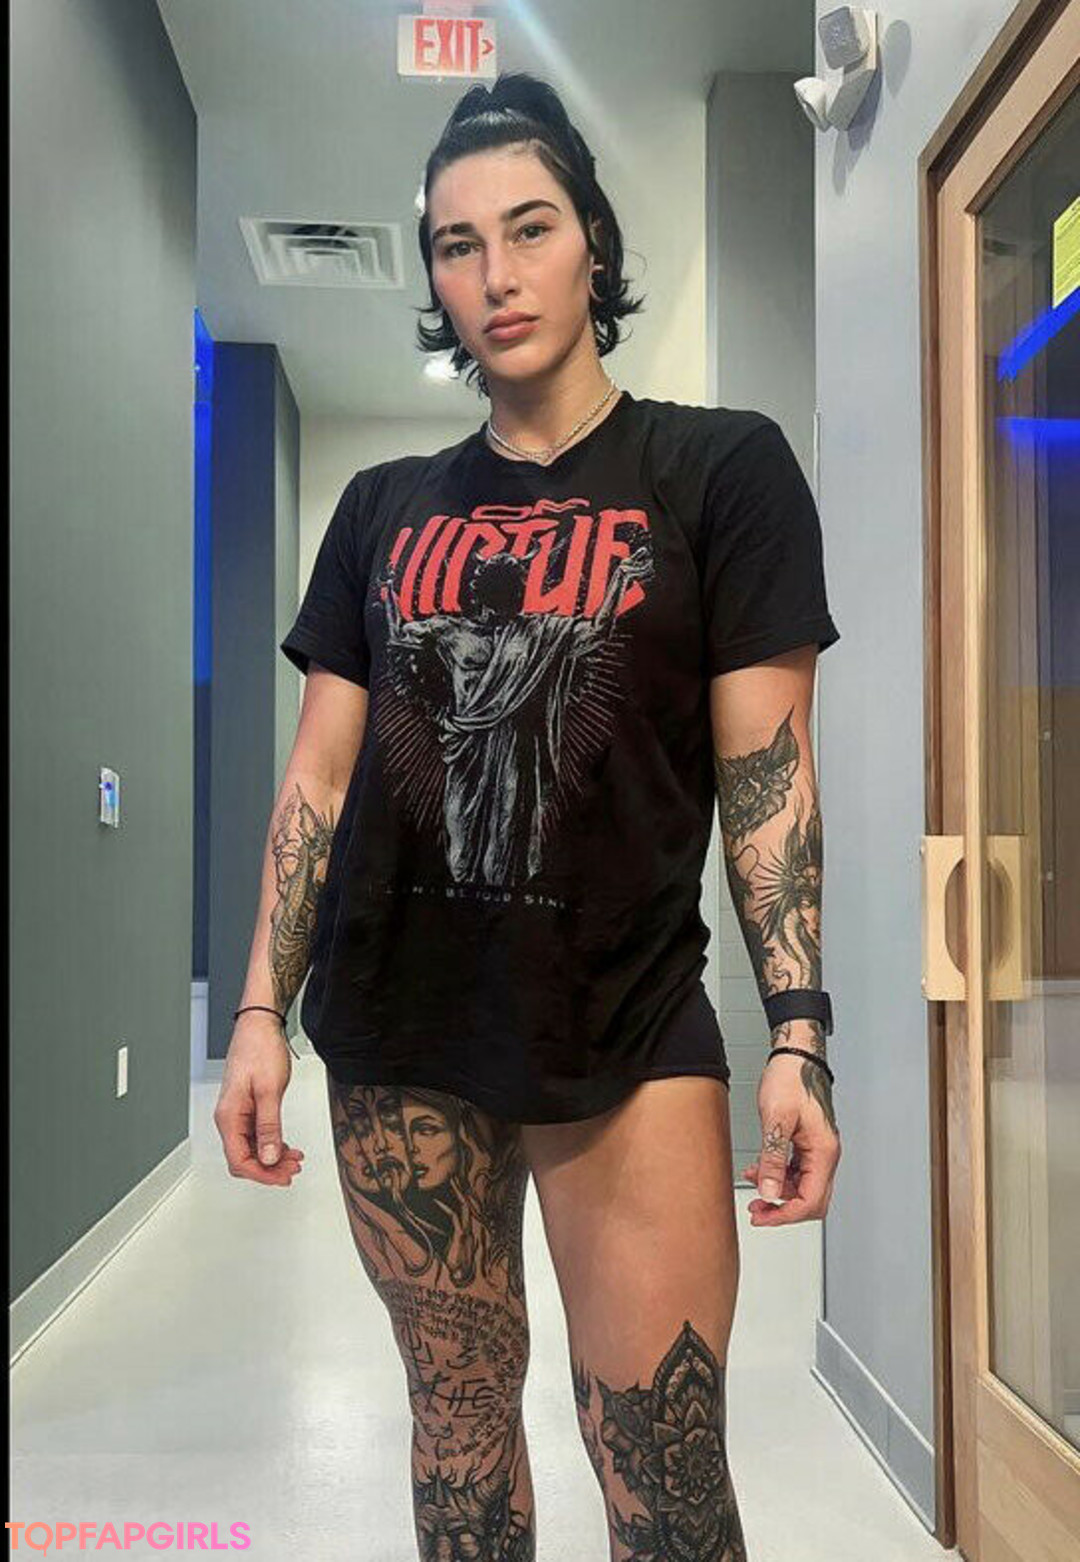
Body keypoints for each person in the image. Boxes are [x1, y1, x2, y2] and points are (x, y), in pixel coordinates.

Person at [214, 70, 843, 1562]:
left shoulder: (720, 469)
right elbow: (318, 781)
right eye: (456, 244)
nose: (495, 273)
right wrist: (257, 1011)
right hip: (398, 1027)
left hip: (623, 1023)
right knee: (459, 1431)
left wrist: (799, 1029)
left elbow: (768, 775)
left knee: (667, 1481)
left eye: (530, 227)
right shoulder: (380, 509)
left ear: (593, 245)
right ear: (435, 278)